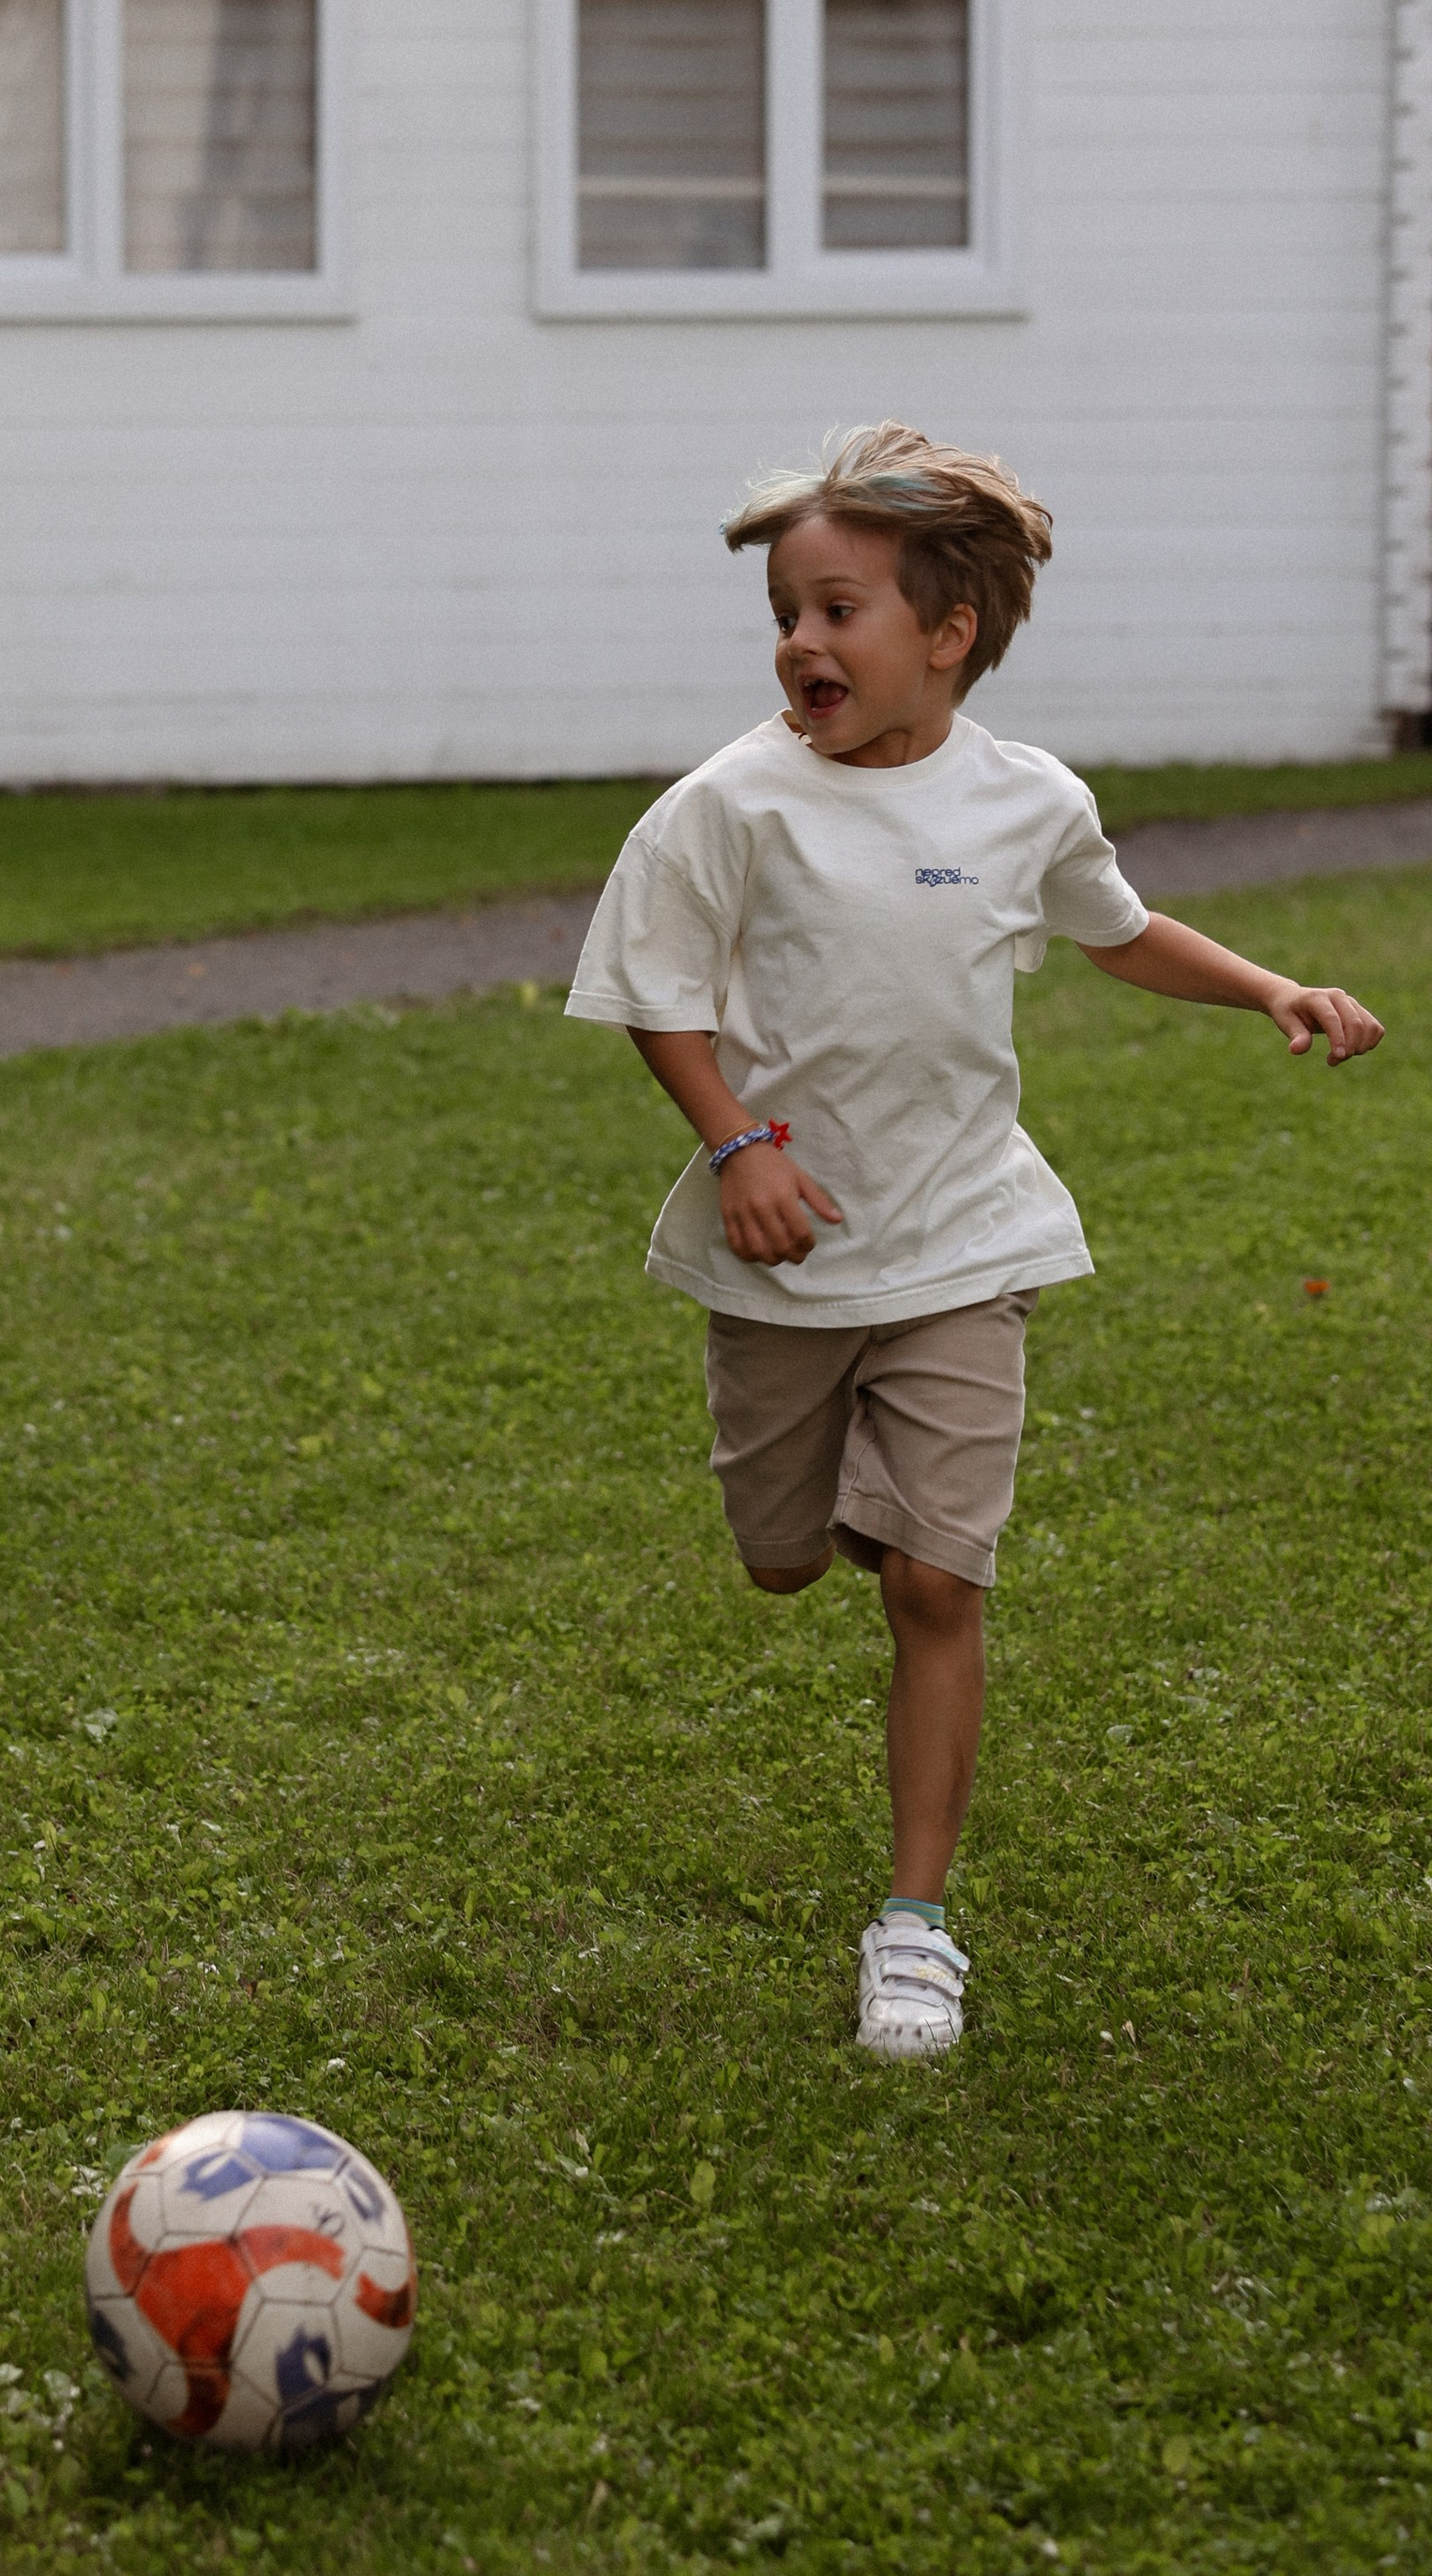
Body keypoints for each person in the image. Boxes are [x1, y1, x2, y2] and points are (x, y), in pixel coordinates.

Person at [565, 422, 1381, 2061]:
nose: (802, 641)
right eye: (788, 611)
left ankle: (916, 1926)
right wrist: (737, 1149)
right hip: (788, 1261)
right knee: (785, 1561)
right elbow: (655, 998)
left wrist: (1269, 988)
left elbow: (1119, 930)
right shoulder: (727, 811)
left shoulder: (1027, 802)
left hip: (964, 1239)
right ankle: (860, 1500)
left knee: (939, 1581)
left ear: (947, 635)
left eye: (840, 610)